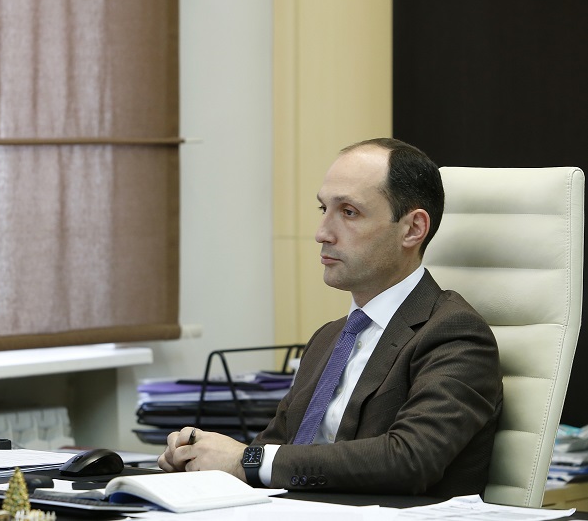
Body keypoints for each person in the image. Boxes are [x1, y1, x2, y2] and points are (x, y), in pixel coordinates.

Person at [158, 138, 503, 498]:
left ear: (413, 229)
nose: (322, 233)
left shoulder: (454, 334)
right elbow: (275, 450)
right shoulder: (329, 338)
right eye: (323, 209)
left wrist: (247, 460)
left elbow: (410, 459)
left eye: (349, 212)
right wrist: (202, 459)